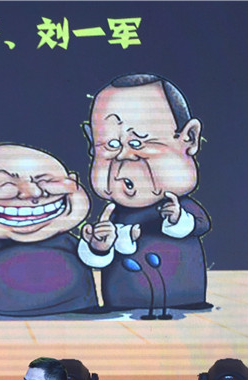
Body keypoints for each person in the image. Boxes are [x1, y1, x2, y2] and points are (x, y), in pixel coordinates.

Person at [0, 144, 112, 317]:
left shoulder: (65, 239)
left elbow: (91, 259)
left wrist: (98, 248)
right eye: (3, 184)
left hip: (77, 311)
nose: (33, 193)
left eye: (47, 181)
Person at [83, 73, 212, 311]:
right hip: (122, 305)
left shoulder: (181, 209)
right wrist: (99, 246)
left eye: (138, 143)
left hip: (183, 302)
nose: (124, 157)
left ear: (189, 138)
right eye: (111, 145)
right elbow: (99, 259)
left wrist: (178, 219)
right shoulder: (114, 215)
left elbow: (200, 224)